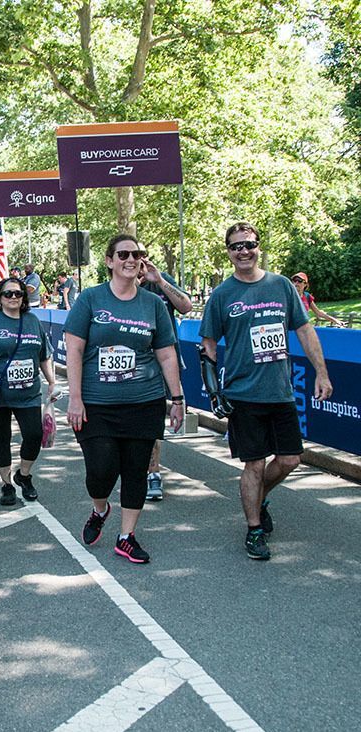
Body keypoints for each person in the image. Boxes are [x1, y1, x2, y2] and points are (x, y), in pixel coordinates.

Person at [199, 223, 333, 560]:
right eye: (235, 246)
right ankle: (254, 530)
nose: (243, 251)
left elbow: (304, 330)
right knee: (254, 465)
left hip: (280, 392)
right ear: (228, 252)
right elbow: (209, 344)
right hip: (243, 394)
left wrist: (322, 373)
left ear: (259, 247)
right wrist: (214, 391)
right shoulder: (223, 294)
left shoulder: (282, 286)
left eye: (249, 244)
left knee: (290, 459)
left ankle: (257, 498)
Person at [64, 234, 184, 564]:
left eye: (137, 254)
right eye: (123, 254)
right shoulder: (90, 299)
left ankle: (126, 536)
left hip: (143, 401)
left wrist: (177, 398)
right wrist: (75, 398)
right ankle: (100, 509)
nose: (131, 259)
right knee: (101, 470)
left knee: (135, 470)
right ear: (109, 261)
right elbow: (73, 349)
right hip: (97, 403)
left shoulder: (153, 304)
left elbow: (166, 354)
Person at [0, 278, 55, 504]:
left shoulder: (32, 321)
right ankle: (7, 484)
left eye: (18, 294)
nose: (13, 298)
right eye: (8, 294)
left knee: (34, 435)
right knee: (1, 438)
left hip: (29, 392)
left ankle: (24, 475)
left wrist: (51, 381)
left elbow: (44, 354)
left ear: (24, 298)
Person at [136, 244, 193, 501]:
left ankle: (153, 473)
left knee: (153, 418)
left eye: (142, 255)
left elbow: (186, 307)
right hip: (134, 364)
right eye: (130, 255)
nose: (139, 260)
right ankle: (135, 467)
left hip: (163, 360)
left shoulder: (159, 278)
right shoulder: (120, 285)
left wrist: (159, 280)